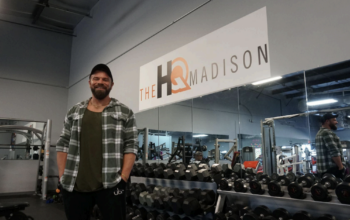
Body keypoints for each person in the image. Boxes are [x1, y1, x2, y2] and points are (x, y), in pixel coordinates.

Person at [56, 64, 138, 220]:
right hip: (75, 185)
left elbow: (131, 145)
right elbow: (63, 143)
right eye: (96, 78)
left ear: (111, 84)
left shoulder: (124, 111)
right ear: (89, 82)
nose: (100, 82)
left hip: (111, 184)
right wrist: (62, 176)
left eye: (105, 79)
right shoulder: (75, 111)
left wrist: (124, 178)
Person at [315, 113, 345, 179]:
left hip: (323, 170)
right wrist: (341, 167)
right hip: (332, 169)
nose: (336, 122)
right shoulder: (327, 133)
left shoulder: (319, 133)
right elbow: (334, 152)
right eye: (334, 120)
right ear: (327, 121)